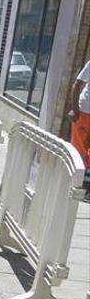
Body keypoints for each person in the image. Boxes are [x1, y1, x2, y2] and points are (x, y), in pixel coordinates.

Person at [69, 60, 90, 199]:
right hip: (84, 112)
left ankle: (86, 186)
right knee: (79, 149)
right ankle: (73, 182)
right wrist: (75, 110)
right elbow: (77, 84)